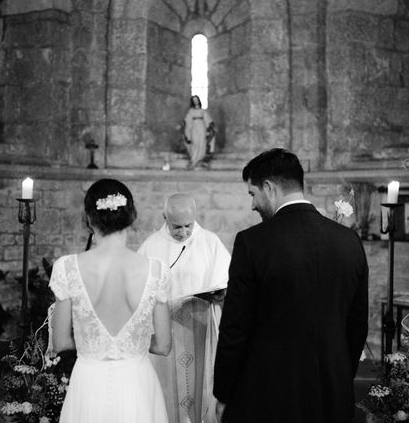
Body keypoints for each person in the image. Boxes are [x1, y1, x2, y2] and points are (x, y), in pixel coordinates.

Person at [213, 149, 369, 423]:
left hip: (270, 395)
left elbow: (234, 328)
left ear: (269, 188)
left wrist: (224, 394)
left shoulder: (253, 243)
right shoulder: (348, 241)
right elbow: (357, 325)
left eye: (253, 194)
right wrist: (340, 375)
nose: (252, 205)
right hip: (334, 393)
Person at [49, 178, 172, 423]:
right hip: (137, 382)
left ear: (88, 219)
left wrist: (94, 344)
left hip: (89, 381)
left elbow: (60, 341)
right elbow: (163, 346)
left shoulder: (67, 268)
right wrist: (132, 344)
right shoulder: (157, 270)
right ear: (132, 216)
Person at [138, 193, 230, 423]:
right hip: (165, 330)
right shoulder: (151, 245)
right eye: (176, 226)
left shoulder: (210, 242)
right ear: (164, 218)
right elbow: (139, 289)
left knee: (201, 386)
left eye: (188, 225)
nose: (183, 232)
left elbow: (228, 282)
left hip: (200, 327)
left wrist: (220, 293)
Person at [183, 95, 215, 169]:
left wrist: (210, 126)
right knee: (195, 143)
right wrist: (184, 126)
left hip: (202, 128)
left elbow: (208, 120)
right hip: (194, 128)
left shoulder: (202, 111)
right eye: (194, 100)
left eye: (196, 100)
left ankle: (200, 160)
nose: (195, 101)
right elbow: (187, 121)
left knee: (202, 143)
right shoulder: (191, 111)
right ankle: (194, 160)